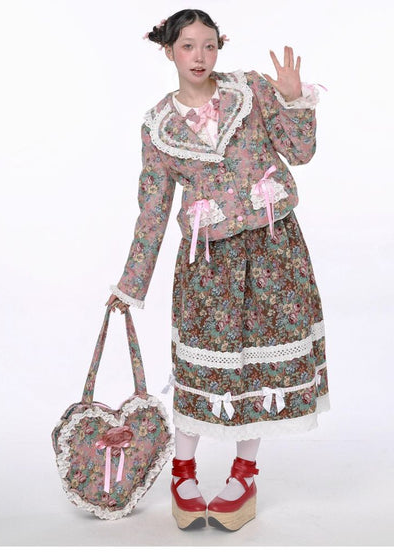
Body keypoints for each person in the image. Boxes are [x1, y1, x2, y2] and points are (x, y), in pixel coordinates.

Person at [106, 8, 330, 532]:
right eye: (188, 46)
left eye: (209, 45)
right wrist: (131, 284)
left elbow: (301, 152)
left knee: (257, 365)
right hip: (209, 267)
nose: (199, 56)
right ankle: (182, 473)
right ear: (168, 51)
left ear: (219, 47)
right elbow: (153, 210)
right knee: (205, 366)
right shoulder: (158, 126)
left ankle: (244, 475)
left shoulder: (251, 90)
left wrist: (294, 99)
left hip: (274, 252)